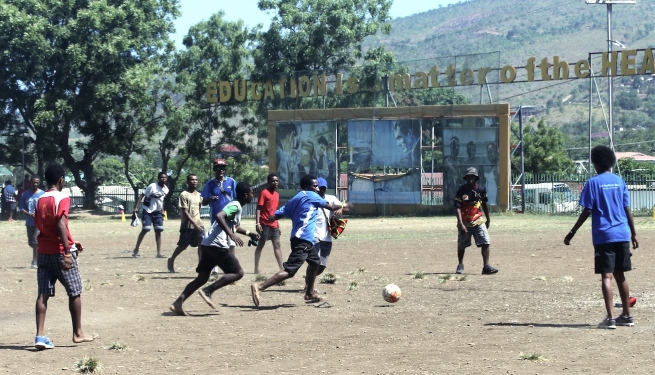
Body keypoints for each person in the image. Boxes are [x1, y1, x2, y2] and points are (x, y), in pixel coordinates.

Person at [564, 145, 638, 329]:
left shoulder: (593, 183)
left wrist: (572, 232)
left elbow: (587, 209)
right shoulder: (619, 181)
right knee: (621, 275)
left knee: (607, 276)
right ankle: (627, 316)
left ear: (595, 162)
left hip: (604, 235)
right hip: (622, 233)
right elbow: (627, 209)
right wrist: (634, 233)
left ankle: (611, 318)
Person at [250, 174, 349, 307]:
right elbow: (331, 207)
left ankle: (309, 293)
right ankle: (260, 287)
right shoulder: (310, 195)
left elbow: (279, 213)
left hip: (300, 238)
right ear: (308, 186)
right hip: (303, 239)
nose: (317, 188)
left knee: (315, 262)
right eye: (315, 186)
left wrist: (271, 218)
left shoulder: (296, 197)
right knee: (290, 271)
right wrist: (346, 205)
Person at [169, 182, 259, 316]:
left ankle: (178, 303)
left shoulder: (236, 206)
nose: (253, 196)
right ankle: (208, 291)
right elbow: (219, 216)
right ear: (246, 195)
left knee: (202, 277)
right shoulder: (235, 205)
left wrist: (248, 233)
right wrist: (231, 235)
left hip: (207, 244)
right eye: (252, 193)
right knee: (238, 272)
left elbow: (233, 226)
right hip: (217, 245)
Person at [33, 163, 94, 350]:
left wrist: (72, 242)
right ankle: (78, 333)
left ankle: (40, 336)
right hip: (60, 252)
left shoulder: (40, 198)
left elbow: (45, 227)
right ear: (61, 180)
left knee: (43, 293)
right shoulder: (62, 198)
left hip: (43, 251)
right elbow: (60, 224)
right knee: (74, 291)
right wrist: (67, 251)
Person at [454, 167, 498, 275]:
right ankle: (460, 264)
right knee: (461, 245)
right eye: (468, 176)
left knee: (485, 241)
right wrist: (460, 223)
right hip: (465, 221)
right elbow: (457, 207)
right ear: (466, 178)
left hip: (478, 219)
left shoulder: (481, 190)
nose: (470, 178)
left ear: (476, 178)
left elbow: (484, 204)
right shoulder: (461, 190)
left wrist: (488, 219)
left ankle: (486, 266)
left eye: (472, 176)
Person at [306, 177, 342, 291]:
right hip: (314, 235)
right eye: (319, 188)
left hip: (327, 236)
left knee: (322, 265)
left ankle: (309, 278)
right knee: (314, 262)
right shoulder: (311, 199)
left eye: (323, 188)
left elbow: (341, 206)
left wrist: (341, 208)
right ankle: (308, 285)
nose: (321, 190)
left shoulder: (331, 198)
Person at [167, 174, 204, 272]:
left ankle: (201, 266)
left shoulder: (199, 195)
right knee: (183, 246)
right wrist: (194, 225)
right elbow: (185, 212)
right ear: (187, 182)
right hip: (187, 226)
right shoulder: (184, 194)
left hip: (199, 224)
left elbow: (203, 204)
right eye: (192, 180)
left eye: (196, 180)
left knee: (202, 244)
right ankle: (171, 259)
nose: (194, 181)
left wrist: (212, 198)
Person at [201, 158, 237, 258]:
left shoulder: (231, 182)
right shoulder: (209, 184)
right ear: (214, 169)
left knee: (231, 243)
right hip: (216, 218)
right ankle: (215, 268)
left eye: (223, 168)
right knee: (216, 243)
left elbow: (236, 199)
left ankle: (233, 266)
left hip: (229, 217)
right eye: (218, 168)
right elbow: (203, 202)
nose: (221, 170)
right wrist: (210, 199)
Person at [132, 171, 169, 258]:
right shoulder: (152, 186)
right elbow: (142, 195)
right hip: (148, 211)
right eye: (161, 177)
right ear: (158, 178)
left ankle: (159, 253)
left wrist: (162, 210)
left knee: (159, 230)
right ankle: (136, 249)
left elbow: (160, 201)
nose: (163, 179)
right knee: (146, 229)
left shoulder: (166, 189)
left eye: (165, 177)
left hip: (158, 212)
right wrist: (136, 207)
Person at [253, 173, 284, 274]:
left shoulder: (277, 194)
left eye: (277, 181)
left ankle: (281, 268)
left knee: (277, 245)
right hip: (264, 224)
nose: (275, 183)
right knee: (260, 245)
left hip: (273, 224)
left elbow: (274, 211)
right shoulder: (264, 193)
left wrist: (278, 225)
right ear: (268, 182)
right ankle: (256, 268)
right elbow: (258, 208)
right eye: (273, 181)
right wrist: (257, 223)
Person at [20, 176, 44, 268]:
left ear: (39, 183)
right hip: (29, 222)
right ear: (30, 182)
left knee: (35, 241)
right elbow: (21, 208)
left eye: (37, 182)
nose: (35, 184)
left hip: (39, 222)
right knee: (31, 242)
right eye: (33, 182)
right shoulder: (24, 195)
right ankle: (40, 255)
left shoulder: (43, 194)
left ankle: (34, 262)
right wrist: (29, 214)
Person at [443, 136, 461, 205]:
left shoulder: (459, 162)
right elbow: (444, 178)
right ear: (451, 147)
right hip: (450, 191)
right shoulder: (446, 161)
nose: (457, 148)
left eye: (458, 146)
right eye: (455, 145)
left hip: (458, 191)